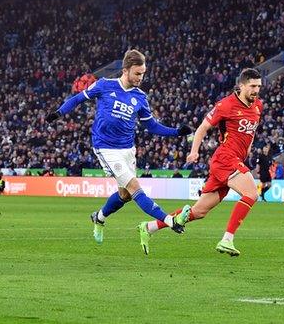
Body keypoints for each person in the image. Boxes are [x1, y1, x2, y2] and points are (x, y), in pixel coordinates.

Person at [45, 49, 192, 244]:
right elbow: (78, 98)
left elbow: (151, 126)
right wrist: (59, 113)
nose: (141, 77)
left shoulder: (140, 98)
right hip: (105, 147)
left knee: (125, 195)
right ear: (125, 70)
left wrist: (176, 132)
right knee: (134, 187)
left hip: (127, 149)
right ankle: (170, 221)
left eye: (143, 73)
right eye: (137, 73)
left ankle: (99, 217)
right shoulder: (105, 85)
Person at [138, 68, 263, 256]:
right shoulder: (226, 105)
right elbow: (203, 127)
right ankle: (227, 239)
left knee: (199, 211)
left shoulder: (257, 106)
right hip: (225, 158)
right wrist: (194, 151)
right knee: (251, 193)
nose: (256, 90)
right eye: (252, 86)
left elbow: (250, 134)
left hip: (236, 159)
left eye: (259, 86)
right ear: (242, 86)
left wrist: (248, 152)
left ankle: (149, 227)